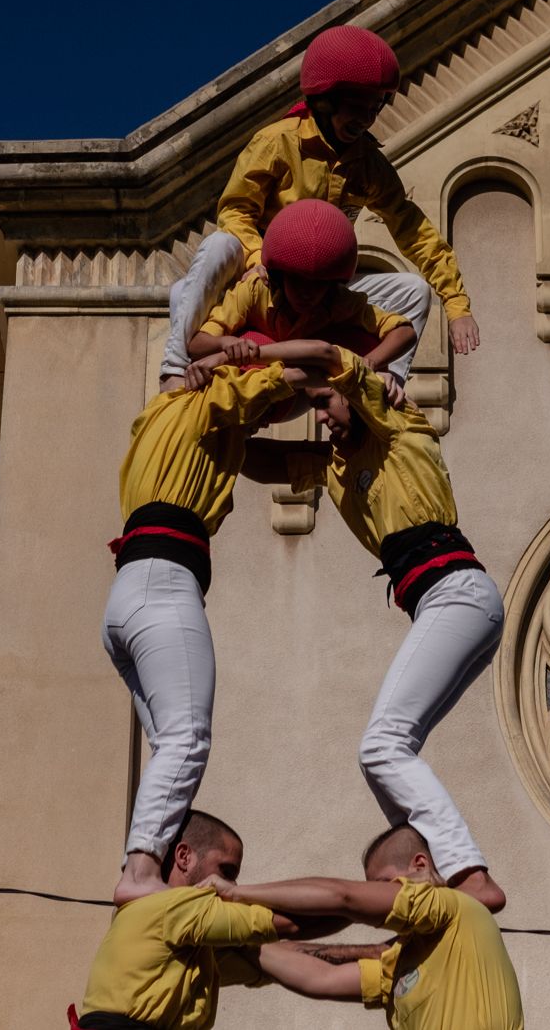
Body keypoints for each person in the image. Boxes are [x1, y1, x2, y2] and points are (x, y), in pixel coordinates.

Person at [242, 343, 506, 911]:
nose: (318, 415)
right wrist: (220, 421)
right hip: (447, 600)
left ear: (356, 394)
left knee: (382, 745)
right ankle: (432, 864)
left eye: (323, 402)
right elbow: (260, 460)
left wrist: (250, 365)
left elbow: (323, 355)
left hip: (455, 592)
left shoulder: (400, 427)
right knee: (389, 749)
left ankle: (465, 872)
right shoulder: (335, 465)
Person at [105, 342, 340, 906]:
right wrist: (334, 383)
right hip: (165, 584)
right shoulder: (206, 396)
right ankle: (139, 874)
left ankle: (156, 867)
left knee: (169, 745)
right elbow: (297, 373)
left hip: (129, 593)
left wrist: (335, 450)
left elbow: (271, 459)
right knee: (187, 740)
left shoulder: (181, 423)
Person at [159, 24, 482, 391]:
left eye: (375, 108)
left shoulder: (369, 166)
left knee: (414, 291)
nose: (366, 119)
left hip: (318, 298)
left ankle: (380, 387)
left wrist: (457, 307)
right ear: (325, 99)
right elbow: (235, 212)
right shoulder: (276, 142)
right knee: (217, 247)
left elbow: (416, 234)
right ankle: (174, 369)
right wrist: (257, 261)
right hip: (261, 286)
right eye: (357, 107)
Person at [211, 824, 525, 1030]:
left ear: (420, 866)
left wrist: (237, 893)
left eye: (383, 885)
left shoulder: (455, 909)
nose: (375, 896)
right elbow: (323, 977)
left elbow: (342, 896)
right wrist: (240, 940)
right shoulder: (404, 959)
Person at [72, 811, 304, 1030]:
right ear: (183, 857)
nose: (230, 884)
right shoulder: (173, 908)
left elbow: (282, 959)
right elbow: (284, 924)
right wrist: (339, 899)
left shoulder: (199, 948)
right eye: (226, 871)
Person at [182, 198, 415, 397]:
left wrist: (368, 364)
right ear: (280, 276)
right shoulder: (255, 290)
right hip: (261, 389)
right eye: (297, 280)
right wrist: (226, 344)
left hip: (311, 387)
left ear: (330, 284)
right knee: (253, 341)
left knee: (369, 342)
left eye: (317, 285)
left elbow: (404, 332)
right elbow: (196, 344)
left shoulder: (339, 301)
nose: (306, 292)